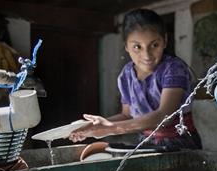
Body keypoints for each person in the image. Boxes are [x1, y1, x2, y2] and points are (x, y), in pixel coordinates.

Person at [69, 9, 201, 151]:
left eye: (154, 45)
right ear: (126, 46)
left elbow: (164, 116)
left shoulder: (173, 69)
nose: (146, 55)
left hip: (181, 143)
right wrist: (95, 126)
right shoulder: (126, 75)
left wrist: (111, 129)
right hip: (145, 142)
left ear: (165, 41)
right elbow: (127, 115)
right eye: (137, 47)